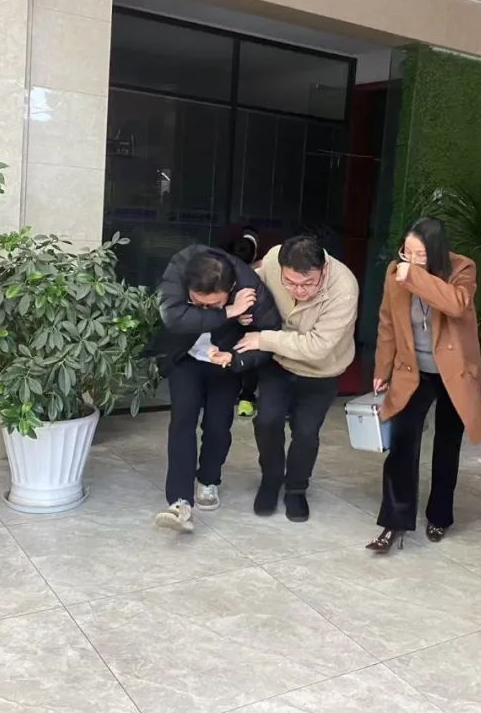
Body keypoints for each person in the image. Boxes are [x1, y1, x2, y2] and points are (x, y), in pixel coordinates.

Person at [366, 217, 481, 553]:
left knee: (447, 445)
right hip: (413, 370)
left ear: (436, 253)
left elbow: (456, 304)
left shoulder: (462, 269)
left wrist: (416, 276)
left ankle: (440, 516)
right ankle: (394, 522)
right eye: (407, 253)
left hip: (453, 373)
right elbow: (387, 322)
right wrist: (382, 367)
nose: (411, 260)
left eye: (420, 255)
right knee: (402, 444)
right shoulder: (395, 272)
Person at [151, 245, 281, 533]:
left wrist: (236, 359)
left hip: (225, 360)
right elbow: (173, 316)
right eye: (197, 303)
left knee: (217, 425)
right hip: (186, 357)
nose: (204, 310)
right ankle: (180, 501)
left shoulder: (250, 285)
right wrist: (229, 312)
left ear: (231, 288)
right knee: (182, 422)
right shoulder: (182, 264)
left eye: (213, 304)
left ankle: (209, 479)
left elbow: (269, 337)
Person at [235, 234, 359, 522]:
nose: (299, 291)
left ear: (323, 271)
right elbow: (252, 285)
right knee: (267, 421)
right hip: (278, 362)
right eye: (290, 283)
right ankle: (271, 478)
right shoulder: (272, 259)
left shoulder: (344, 288)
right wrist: (242, 309)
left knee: (305, 432)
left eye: (308, 284)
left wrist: (263, 339)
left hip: (321, 369)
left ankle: (296, 489)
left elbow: (318, 347)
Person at [226, 228, 262, 418]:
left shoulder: (227, 271)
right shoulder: (259, 271)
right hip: (241, 325)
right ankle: (245, 398)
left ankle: (244, 397)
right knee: (246, 361)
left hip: (243, 325)